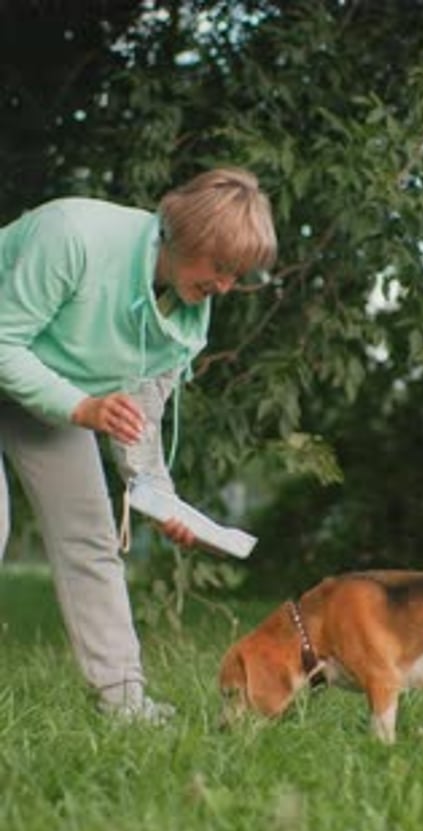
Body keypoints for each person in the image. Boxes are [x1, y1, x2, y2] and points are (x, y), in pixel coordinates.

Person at [0, 167, 277, 721]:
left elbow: (141, 418)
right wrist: (84, 408)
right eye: (220, 267)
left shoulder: (186, 316)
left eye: (237, 275)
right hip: (24, 361)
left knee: (91, 539)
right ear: (184, 235)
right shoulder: (73, 234)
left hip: (51, 395)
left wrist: (160, 502)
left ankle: (124, 702)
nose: (225, 286)